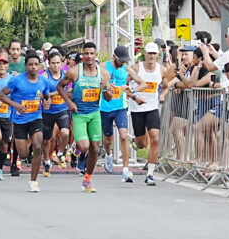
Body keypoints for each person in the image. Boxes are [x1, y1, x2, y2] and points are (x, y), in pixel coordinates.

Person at [58, 42, 112, 193]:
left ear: (96, 55)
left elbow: (108, 98)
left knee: (95, 148)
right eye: (86, 53)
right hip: (79, 113)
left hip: (95, 113)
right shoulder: (74, 72)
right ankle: (76, 147)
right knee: (84, 147)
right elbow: (59, 86)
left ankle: (87, 179)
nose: (89, 57)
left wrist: (105, 87)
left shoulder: (104, 74)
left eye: (91, 54)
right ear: (82, 55)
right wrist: (69, 102)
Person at [0, 53, 51, 193]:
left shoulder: (44, 81)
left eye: (36, 64)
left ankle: (33, 182)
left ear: (40, 65)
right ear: (26, 66)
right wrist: (15, 105)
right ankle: (25, 149)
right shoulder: (17, 80)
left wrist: (47, 102)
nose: (33, 67)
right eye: (30, 64)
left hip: (36, 117)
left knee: (38, 146)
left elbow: (46, 95)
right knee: (23, 154)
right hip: (19, 120)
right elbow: (1, 95)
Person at [100, 45, 147, 183]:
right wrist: (119, 88)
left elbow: (143, 83)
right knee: (107, 139)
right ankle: (108, 154)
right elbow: (102, 85)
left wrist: (133, 92)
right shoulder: (103, 67)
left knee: (124, 135)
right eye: (121, 60)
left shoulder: (126, 69)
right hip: (105, 107)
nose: (123, 63)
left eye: (125, 61)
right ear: (114, 57)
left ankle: (125, 170)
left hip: (120, 107)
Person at [128, 42, 170, 186]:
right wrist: (133, 96)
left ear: (157, 54)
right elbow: (125, 87)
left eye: (154, 53)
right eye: (149, 53)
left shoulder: (162, 70)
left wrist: (163, 95)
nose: (151, 56)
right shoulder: (136, 68)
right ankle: (136, 140)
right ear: (144, 54)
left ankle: (150, 174)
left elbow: (166, 87)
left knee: (156, 139)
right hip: (137, 109)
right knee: (141, 144)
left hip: (152, 108)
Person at [41, 50, 70, 176]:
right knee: (47, 139)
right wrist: (57, 93)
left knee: (65, 132)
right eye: (53, 63)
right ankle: (47, 161)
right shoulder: (45, 76)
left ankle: (60, 152)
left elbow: (69, 91)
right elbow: (41, 94)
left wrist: (54, 94)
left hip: (61, 109)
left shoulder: (66, 75)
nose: (55, 66)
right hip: (47, 111)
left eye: (58, 63)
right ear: (49, 64)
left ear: (61, 63)